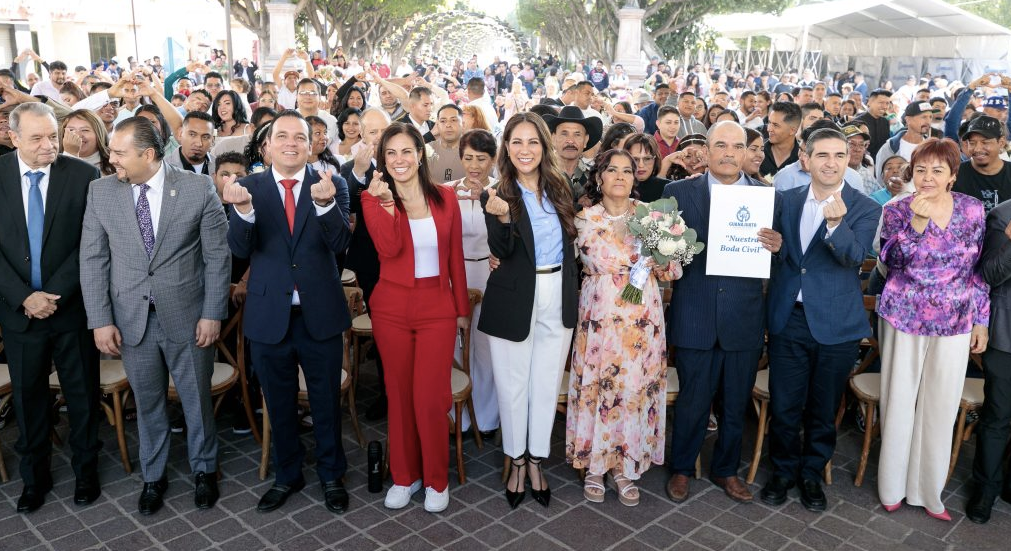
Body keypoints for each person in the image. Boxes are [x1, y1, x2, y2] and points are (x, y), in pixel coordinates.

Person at [80, 117, 231, 515]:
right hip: (131, 321)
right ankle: (153, 476)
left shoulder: (198, 189)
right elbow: (92, 260)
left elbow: (218, 257)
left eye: (118, 152)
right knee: (147, 402)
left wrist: (213, 312)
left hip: (189, 317)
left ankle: (204, 470)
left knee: (196, 400)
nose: (111, 159)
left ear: (148, 154)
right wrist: (100, 319)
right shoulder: (101, 192)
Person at [223, 110, 352, 515]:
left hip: (321, 313)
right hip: (268, 314)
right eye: (282, 136)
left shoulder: (332, 183)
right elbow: (240, 251)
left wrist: (327, 205)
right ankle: (287, 474)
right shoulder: (247, 187)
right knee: (277, 402)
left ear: (312, 144)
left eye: (300, 136)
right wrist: (242, 213)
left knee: (325, 400)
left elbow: (340, 243)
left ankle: (332, 474)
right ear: (267, 145)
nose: (291, 143)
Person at [663, 121, 783, 504]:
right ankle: (682, 468)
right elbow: (666, 255)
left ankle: (726, 470)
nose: (729, 153)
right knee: (692, 400)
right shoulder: (678, 192)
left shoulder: (768, 197)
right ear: (707, 151)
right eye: (721, 145)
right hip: (695, 312)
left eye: (737, 146)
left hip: (743, 316)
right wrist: (670, 248)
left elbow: (778, 259)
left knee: (734, 403)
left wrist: (776, 246)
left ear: (748, 151)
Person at [761, 128, 881, 512]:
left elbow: (853, 257)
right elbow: (779, 256)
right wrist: (776, 250)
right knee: (784, 404)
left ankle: (812, 475)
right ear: (806, 159)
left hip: (836, 325)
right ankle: (781, 471)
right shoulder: (785, 200)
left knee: (823, 407)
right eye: (823, 155)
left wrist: (834, 225)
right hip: (788, 319)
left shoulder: (864, 207)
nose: (832, 163)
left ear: (849, 160)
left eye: (840, 156)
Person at [877, 138, 989, 521]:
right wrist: (916, 225)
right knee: (900, 398)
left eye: (937, 170)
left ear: (953, 176)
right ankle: (891, 486)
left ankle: (928, 492)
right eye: (921, 169)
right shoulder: (898, 208)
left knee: (940, 405)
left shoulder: (973, 210)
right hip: (904, 315)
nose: (927, 177)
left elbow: (979, 272)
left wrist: (982, 320)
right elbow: (890, 261)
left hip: (956, 318)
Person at [361, 123, 469, 513]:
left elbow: (454, 254)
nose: (399, 160)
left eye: (407, 151)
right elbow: (389, 248)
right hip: (391, 306)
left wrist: (460, 309)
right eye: (391, 153)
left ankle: (437, 479)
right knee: (399, 395)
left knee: (429, 397)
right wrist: (384, 204)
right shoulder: (373, 198)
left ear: (420, 154)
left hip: (436, 307)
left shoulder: (444, 197)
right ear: (383, 160)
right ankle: (405, 476)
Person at [0, 103, 102, 513]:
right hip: (18, 312)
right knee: (28, 400)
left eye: (53, 137)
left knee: (82, 396)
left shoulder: (82, 175)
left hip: (70, 308)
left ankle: (87, 472)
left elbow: (90, 243)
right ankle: (34, 479)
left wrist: (52, 294)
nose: (49, 146)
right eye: (37, 139)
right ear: (13, 138)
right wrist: (24, 297)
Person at [567, 149, 679, 507]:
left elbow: (673, 271)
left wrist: (667, 253)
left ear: (636, 177)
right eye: (611, 170)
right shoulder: (582, 219)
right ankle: (596, 465)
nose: (619, 176)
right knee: (599, 387)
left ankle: (625, 466)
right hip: (598, 320)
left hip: (641, 321)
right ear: (599, 177)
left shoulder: (652, 217)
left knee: (633, 388)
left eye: (627, 171)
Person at [479, 113, 579, 509]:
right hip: (516, 295)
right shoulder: (499, 191)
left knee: (546, 383)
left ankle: (537, 459)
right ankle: (516, 460)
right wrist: (501, 217)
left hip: (558, 291)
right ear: (506, 148)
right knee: (513, 384)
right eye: (516, 142)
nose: (525, 150)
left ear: (544, 147)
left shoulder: (561, 187)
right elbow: (501, 250)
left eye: (533, 142)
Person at [341, 107, 392, 420]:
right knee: (383, 329)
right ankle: (387, 392)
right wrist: (359, 175)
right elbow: (345, 201)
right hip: (371, 264)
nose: (378, 138)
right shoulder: (351, 169)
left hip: (403, 260)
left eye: (382, 131)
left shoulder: (404, 162)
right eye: (372, 132)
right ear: (362, 134)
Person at [449, 129, 499, 438]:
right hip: (455, 272)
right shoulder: (446, 191)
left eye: (481, 159)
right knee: (454, 342)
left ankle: (486, 416)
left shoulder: (501, 191)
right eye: (468, 158)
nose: (474, 165)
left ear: (492, 160)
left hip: (489, 272)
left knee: (485, 345)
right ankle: (458, 416)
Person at [967, 191, 1011, 523]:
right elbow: (990, 274)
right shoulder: (1001, 215)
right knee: (998, 417)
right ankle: (985, 490)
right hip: (1007, 337)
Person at [544, 106, 603, 207]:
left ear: (585, 140)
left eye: (577, 134)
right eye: (564, 134)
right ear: (553, 138)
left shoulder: (595, 176)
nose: (570, 140)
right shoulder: (541, 172)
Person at [953, 116, 1011, 213]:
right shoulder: (955, 174)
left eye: (985, 142)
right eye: (972, 143)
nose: (977, 149)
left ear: (1001, 142)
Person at [60, 109, 115, 175]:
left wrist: (71, 157)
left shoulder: (114, 163)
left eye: (85, 130)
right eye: (71, 130)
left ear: (99, 134)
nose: (78, 135)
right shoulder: (51, 161)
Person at [166, 111, 216, 175]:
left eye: (205, 137)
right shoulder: (162, 168)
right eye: (192, 134)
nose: (199, 144)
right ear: (180, 134)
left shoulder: (220, 166)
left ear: (212, 140)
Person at [761, 102, 802, 178]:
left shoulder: (803, 157)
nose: (769, 129)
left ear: (792, 130)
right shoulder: (758, 151)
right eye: (769, 122)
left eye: (775, 125)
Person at [622, 133, 668, 202]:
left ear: (655, 159)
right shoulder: (617, 187)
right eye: (635, 159)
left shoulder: (668, 188)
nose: (641, 165)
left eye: (647, 159)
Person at [428, 104, 465, 183]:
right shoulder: (427, 150)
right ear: (437, 125)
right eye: (443, 121)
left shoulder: (474, 151)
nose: (448, 125)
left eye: (453, 120)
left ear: (463, 124)